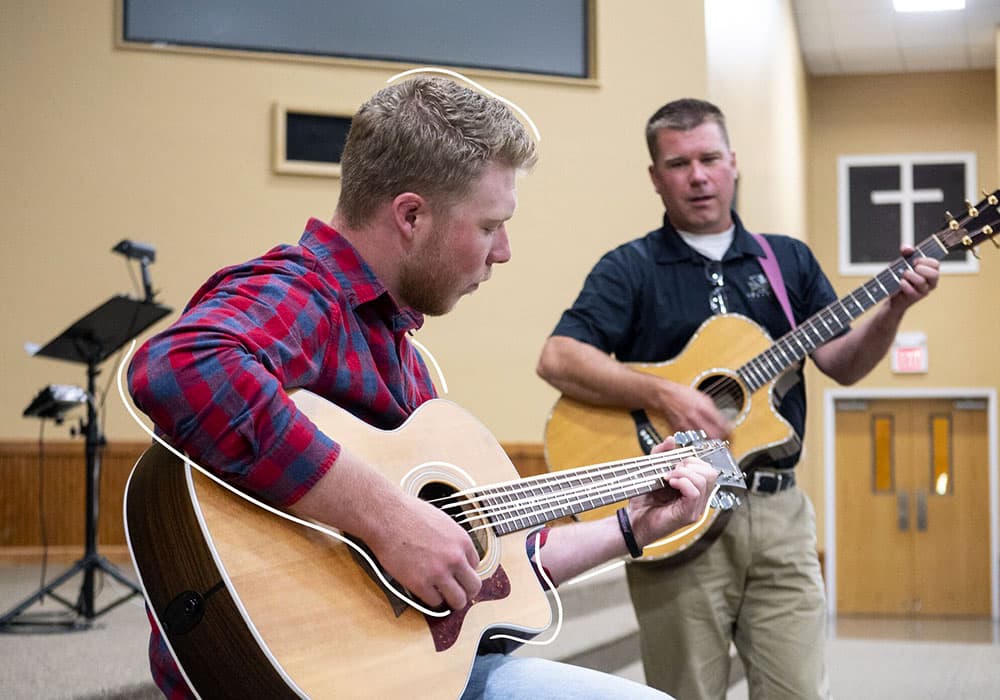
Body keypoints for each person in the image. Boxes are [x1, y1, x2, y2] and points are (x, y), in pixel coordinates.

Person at [127, 77, 719, 700]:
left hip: (405, 668)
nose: (505, 252)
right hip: (289, 671)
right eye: (491, 225)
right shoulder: (307, 293)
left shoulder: (403, 358)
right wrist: (386, 517)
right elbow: (180, 367)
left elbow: (488, 573)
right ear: (411, 215)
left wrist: (631, 526)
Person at [536, 98, 940, 700]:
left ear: (733, 163)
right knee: (686, 692)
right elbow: (558, 357)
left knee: (798, 690)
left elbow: (842, 364)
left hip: (778, 512)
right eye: (678, 163)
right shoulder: (631, 267)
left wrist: (895, 309)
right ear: (655, 177)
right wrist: (666, 394)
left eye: (709, 158)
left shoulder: (787, 262)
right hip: (675, 506)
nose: (697, 176)